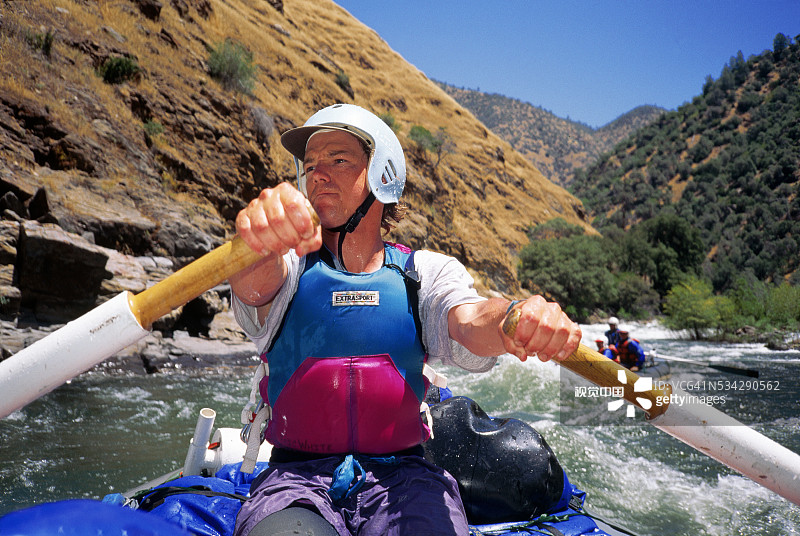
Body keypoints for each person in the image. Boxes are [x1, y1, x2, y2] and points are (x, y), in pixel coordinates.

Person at [228, 103, 582, 536]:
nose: (317, 173)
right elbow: (253, 286)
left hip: (404, 477)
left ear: (382, 174)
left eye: (338, 160)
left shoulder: (424, 275)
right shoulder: (285, 265)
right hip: (295, 480)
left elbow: (470, 321)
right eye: (311, 164)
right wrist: (257, 241)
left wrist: (514, 316)